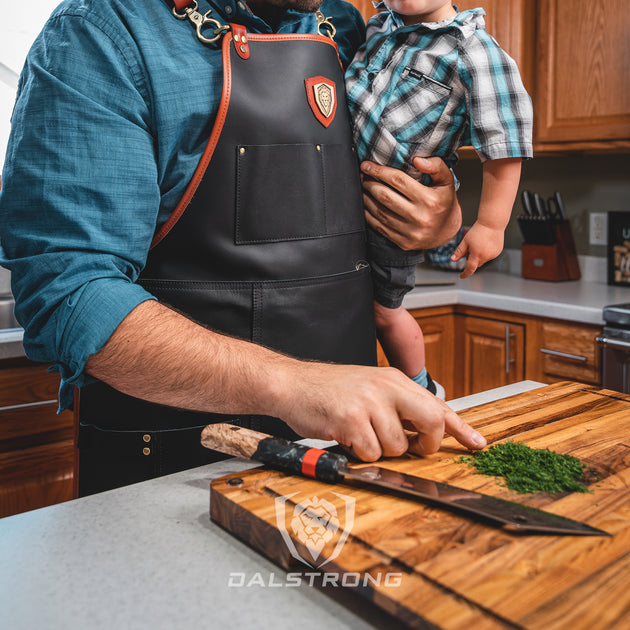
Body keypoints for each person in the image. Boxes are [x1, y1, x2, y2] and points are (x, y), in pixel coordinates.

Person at [0, 0, 486, 496]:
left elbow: (381, 173)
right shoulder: (99, 33)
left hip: (345, 461)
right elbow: (70, 298)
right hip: (176, 472)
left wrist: (438, 218)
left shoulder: (345, 27)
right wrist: (298, 387)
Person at [345, 0, 533, 394]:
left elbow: (506, 144)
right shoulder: (376, 27)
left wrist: (490, 226)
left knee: (383, 311)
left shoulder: (475, 51)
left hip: (394, 213)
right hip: (346, 198)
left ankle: (423, 391)